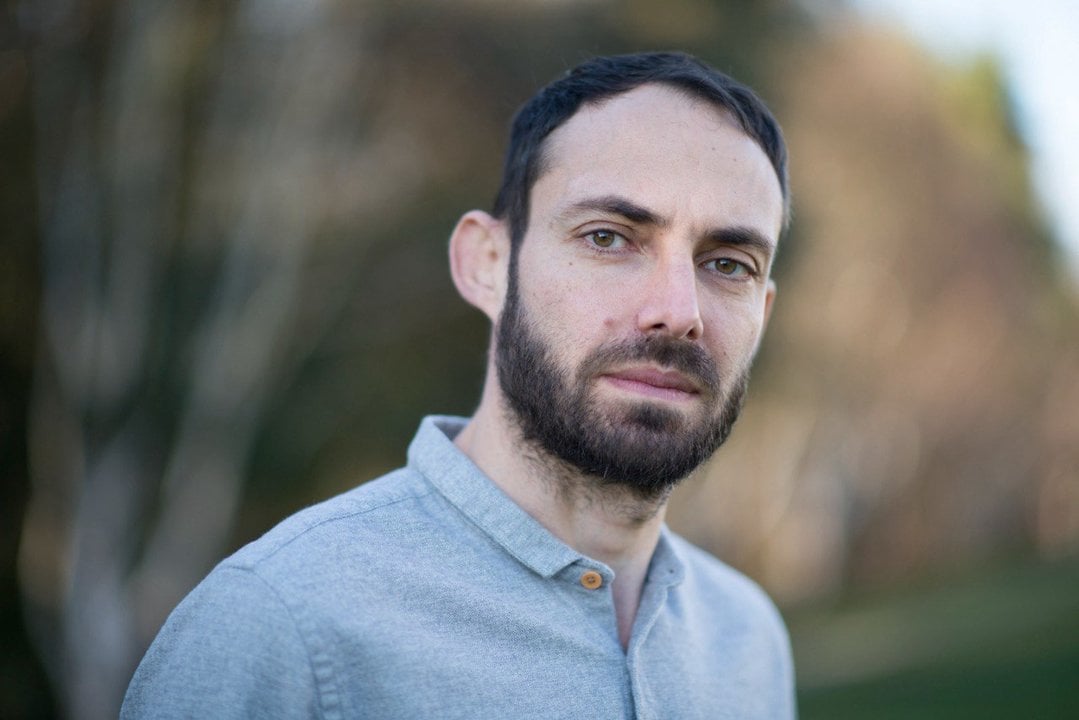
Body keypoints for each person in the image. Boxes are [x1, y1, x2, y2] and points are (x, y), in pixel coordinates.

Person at [122, 51, 795, 719]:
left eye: (728, 264)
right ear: (486, 265)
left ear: (761, 316)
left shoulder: (747, 641)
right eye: (607, 237)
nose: (679, 311)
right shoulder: (281, 624)